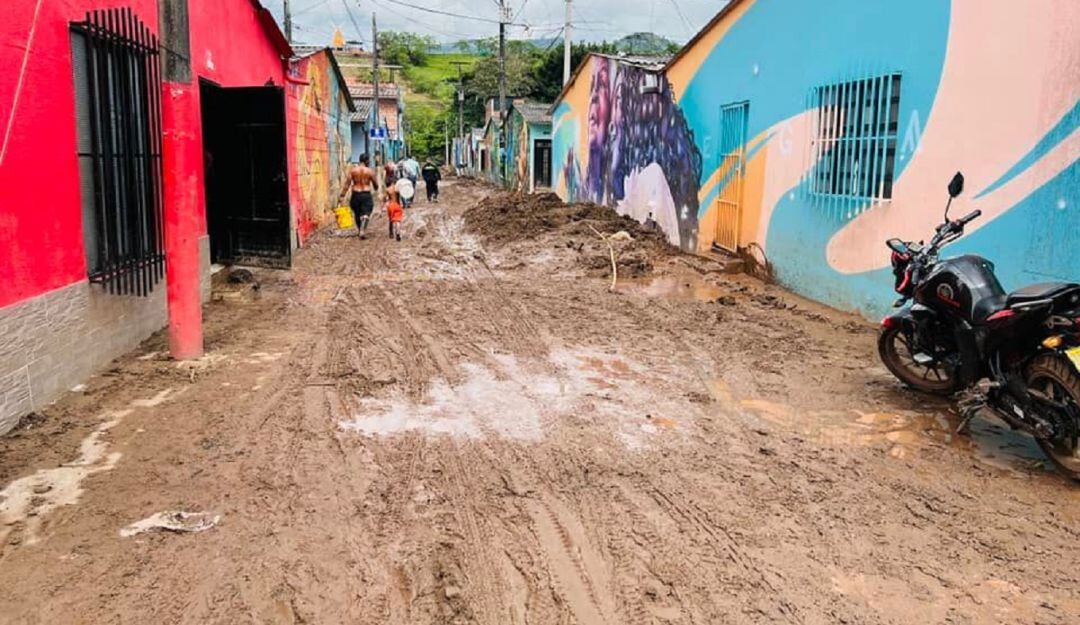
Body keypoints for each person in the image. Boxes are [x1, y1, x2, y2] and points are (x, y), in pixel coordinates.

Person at [338, 153, 375, 239]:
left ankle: (359, 230)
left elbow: (347, 184)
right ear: (366, 161)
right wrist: (374, 185)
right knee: (367, 211)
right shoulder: (369, 171)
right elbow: (376, 184)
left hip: (355, 194)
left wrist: (342, 195)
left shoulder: (353, 171)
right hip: (366, 194)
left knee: (357, 213)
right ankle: (363, 227)